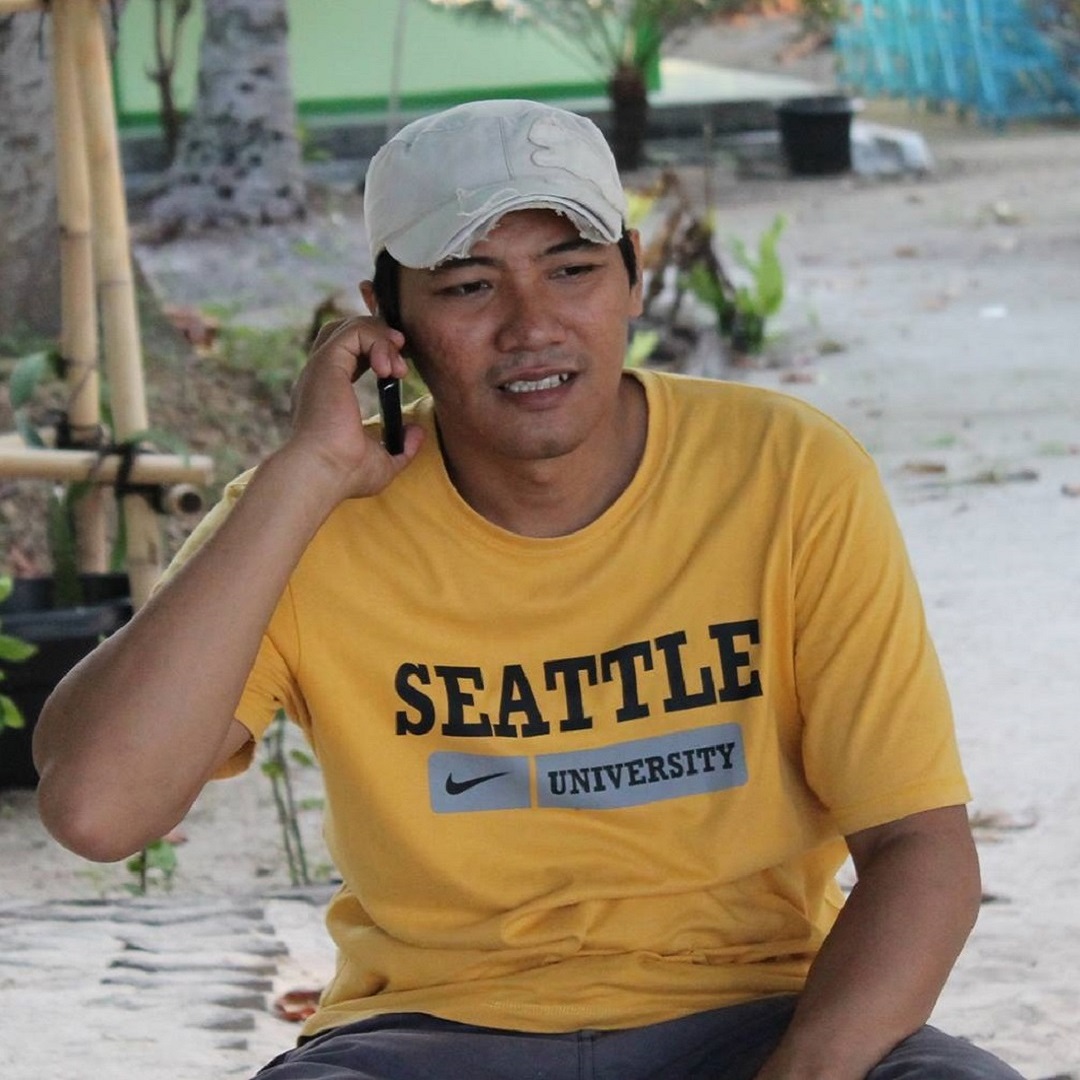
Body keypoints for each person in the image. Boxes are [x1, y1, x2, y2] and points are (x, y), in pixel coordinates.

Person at [33, 99, 1023, 1080]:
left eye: (572, 270)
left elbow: (919, 846)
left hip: (760, 1016)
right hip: (427, 1039)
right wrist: (302, 477)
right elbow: (99, 810)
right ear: (387, 319)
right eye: (468, 286)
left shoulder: (787, 471)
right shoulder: (308, 510)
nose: (532, 327)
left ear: (633, 276)